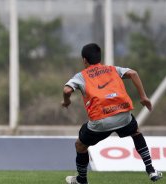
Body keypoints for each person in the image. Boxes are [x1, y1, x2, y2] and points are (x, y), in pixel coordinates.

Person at [61, 43, 162, 184]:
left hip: (101, 121)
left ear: (84, 60)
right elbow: (133, 73)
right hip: (123, 115)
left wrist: (66, 102)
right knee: (136, 132)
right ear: (99, 58)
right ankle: (151, 170)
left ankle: (81, 180)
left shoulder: (81, 76)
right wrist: (144, 97)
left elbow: (67, 90)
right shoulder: (112, 69)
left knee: (80, 145)